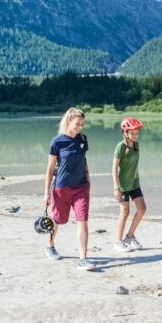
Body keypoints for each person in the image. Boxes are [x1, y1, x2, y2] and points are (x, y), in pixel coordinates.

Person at [44, 107, 95, 271]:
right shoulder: (57, 142)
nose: (80, 127)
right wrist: (46, 193)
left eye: (82, 124)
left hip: (81, 188)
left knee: (83, 221)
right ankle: (50, 246)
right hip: (61, 188)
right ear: (69, 121)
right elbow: (50, 168)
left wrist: (88, 179)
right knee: (58, 220)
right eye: (77, 124)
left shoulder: (83, 139)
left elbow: (84, 160)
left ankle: (83, 258)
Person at [112, 117, 146, 253]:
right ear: (125, 132)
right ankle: (118, 242)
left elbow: (134, 164)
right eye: (132, 133)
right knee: (124, 212)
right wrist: (116, 187)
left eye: (137, 133)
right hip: (123, 186)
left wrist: (137, 177)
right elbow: (114, 167)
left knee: (142, 209)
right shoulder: (121, 147)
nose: (135, 135)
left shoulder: (136, 145)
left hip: (134, 184)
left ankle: (129, 237)